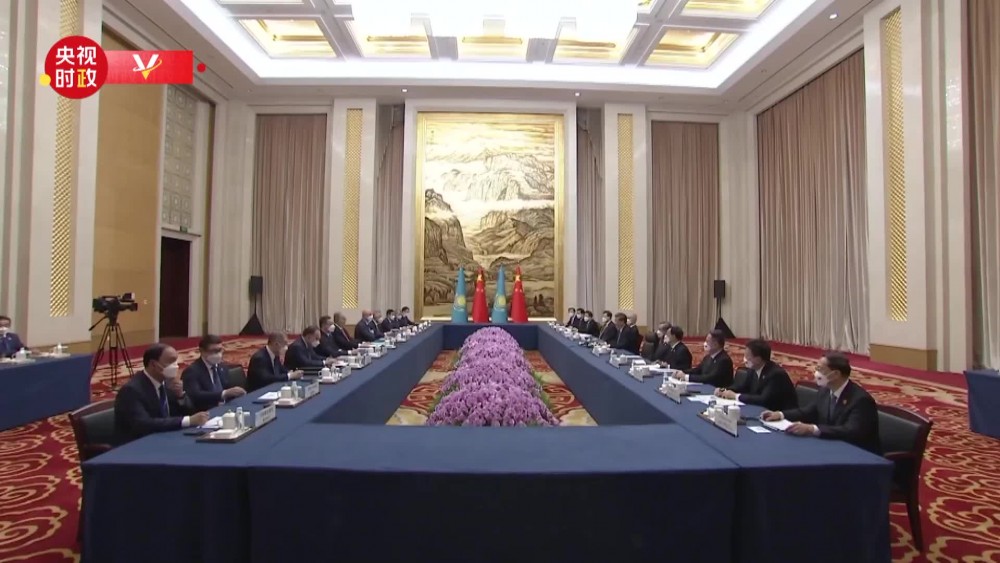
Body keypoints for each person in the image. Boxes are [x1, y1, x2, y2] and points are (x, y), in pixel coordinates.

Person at [762, 352, 880, 453]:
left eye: (820, 369)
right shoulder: (825, 391)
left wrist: (813, 429)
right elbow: (808, 412)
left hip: (856, 453)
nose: (816, 372)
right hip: (831, 446)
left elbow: (851, 431)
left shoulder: (860, 400)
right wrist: (781, 414)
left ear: (836, 374)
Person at [114, 343, 210, 443]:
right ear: (153, 364)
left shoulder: (167, 383)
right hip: (137, 444)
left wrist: (180, 396)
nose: (176, 366)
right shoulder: (131, 390)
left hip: (165, 437)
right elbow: (143, 424)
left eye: (176, 361)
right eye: (171, 361)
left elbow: (190, 413)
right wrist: (187, 421)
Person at [715, 339, 797, 410]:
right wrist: (724, 390)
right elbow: (744, 387)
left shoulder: (776, 374)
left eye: (747, 356)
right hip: (760, 409)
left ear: (758, 359)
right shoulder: (753, 369)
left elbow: (764, 399)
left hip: (780, 414)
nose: (745, 359)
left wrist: (736, 396)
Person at [181, 335, 246, 410]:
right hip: (206, 410)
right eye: (213, 351)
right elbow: (196, 395)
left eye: (220, 350)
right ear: (202, 351)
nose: (218, 354)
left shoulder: (222, 366)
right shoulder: (192, 371)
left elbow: (226, 386)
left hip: (225, 407)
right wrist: (224, 394)